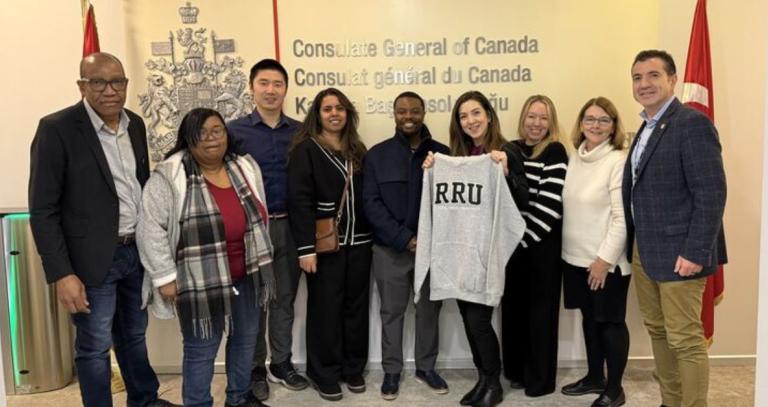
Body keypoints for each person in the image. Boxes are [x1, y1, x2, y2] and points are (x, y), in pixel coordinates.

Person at [28, 52, 178, 407]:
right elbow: (43, 209)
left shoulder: (136, 124)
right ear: (82, 85)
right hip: (91, 260)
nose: (109, 90)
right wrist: (62, 273)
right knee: (94, 346)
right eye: (98, 82)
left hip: (134, 251)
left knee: (134, 335)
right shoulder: (57, 129)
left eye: (117, 82)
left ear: (126, 84)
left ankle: (144, 399)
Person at [137, 108, 273, 407]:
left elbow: (260, 214)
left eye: (217, 130)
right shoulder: (171, 175)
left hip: (247, 273)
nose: (211, 138)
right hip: (200, 281)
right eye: (201, 132)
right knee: (202, 348)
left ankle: (238, 398)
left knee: (245, 341)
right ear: (187, 138)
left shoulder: (244, 167)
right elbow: (150, 229)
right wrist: (165, 276)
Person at [623, 50, 726, 407]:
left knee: (684, 338)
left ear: (672, 79)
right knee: (658, 331)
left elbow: (711, 192)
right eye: (637, 77)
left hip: (682, 252)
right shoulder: (646, 129)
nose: (644, 84)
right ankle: (672, 401)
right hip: (645, 250)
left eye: (653, 75)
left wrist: (696, 251)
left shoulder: (691, 123)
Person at [422, 90, 528, 407]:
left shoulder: (506, 150)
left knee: (479, 320)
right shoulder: (460, 155)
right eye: (463, 116)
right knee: (469, 319)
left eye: (476, 113)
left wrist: (507, 171)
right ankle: (483, 378)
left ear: (489, 115)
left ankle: (493, 383)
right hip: (460, 252)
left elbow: (522, 201)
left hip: (488, 252)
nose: (470, 121)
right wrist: (432, 167)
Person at [227, 58, 309, 401]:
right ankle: (255, 368)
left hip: (289, 227)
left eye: (277, 84)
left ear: (286, 89)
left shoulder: (301, 131)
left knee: (284, 300)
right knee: (254, 302)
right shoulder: (234, 131)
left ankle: (282, 362)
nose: (271, 90)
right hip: (250, 231)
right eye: (264, 83)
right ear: (252, 87)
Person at [363, 91, 450, 400]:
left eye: (414, 110)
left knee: (429, 311)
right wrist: (404, 238)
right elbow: (371, 205)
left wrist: (427, 240)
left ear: (424, 112)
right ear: (394, 114)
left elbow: (451, 205)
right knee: (391, 312)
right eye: (402, 111)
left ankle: (427, 368)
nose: (408, 116)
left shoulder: (443, 154)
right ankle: (391, 371)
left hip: (432, 250)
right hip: (389, 250)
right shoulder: (377, 154)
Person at [287, 88, 372, 402]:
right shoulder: (305, 149)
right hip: (323, 247)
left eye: (340, 108)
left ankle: (353, 368)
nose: (334, 113)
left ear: (348, 113)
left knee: (356, 308)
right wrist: (305, 249)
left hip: (361, 243)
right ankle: (325, 373)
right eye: (327, 109)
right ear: (317, 115)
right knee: (325, 310)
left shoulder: (357, 149)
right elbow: (299, 201)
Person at [560, 97, 631, 407]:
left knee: (610, 323)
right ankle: (594, 377)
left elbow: (622, 217)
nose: (596, 125)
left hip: (605, 262)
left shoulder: (618, 161)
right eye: (590, 119)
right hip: (575, 259)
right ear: (581, 123)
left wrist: (603, 261)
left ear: (613, 126)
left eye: (604, 120)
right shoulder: (575, 157)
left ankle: (614, 389)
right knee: (590, 320)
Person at [502, 94, 568, 397]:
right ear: (522, 118)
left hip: (541, 247)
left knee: (540, 316)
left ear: (551, 123)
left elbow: (550, 204)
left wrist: (523, 239)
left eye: (543, 118)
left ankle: (539, 380)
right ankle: (516, 371)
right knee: (513, 312)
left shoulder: (555, 151)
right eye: (532, 116)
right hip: (513, 247)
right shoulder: (510, 149)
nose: (536, 123)